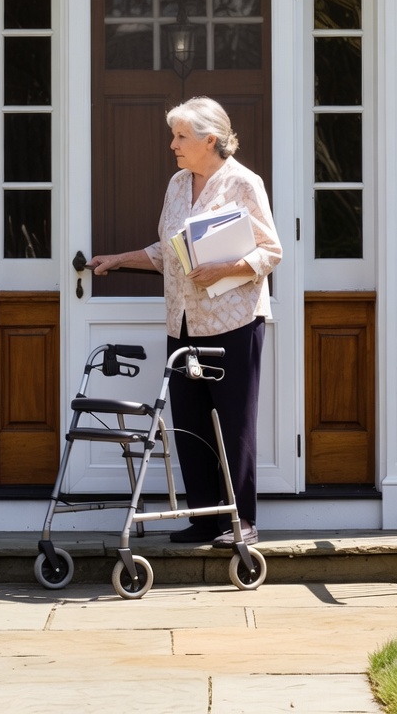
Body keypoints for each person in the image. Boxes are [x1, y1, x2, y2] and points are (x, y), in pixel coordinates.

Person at [89, 96, 281, 547]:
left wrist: (224, 268)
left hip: (234, 321)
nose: (172, 144)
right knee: (189, 423)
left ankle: (242, 521)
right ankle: (203, 516)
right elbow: (169, 252)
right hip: (182, 323)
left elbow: (271, 251)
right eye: (173, 135)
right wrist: (120, 260)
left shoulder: (243, 183)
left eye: (180, 136)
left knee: (235, 423)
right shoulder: (178, 184)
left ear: (209, 140)